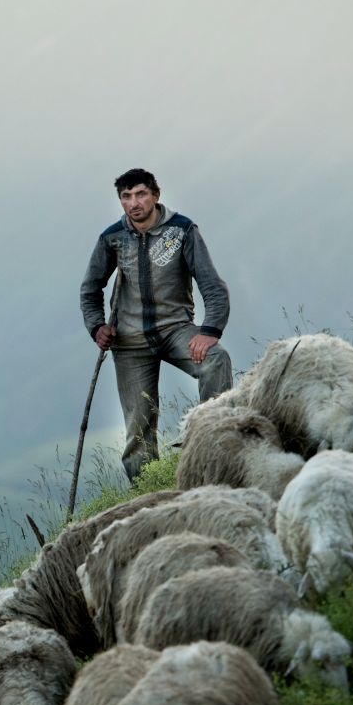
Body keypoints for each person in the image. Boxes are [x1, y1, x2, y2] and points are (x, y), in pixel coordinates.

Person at [79, 167, 234, 482]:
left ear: (155, 195)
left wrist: (209, 331)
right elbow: (90, 289)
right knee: (139, 427)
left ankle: (215, 445)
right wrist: (97, 327)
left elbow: (213, 286)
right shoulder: (113, 238)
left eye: (140, 194)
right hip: (129, 339)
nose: (133, 203)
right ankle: (146, 492)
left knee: (216, 360)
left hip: (176, 329)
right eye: (126, 197)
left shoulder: (182, 230)